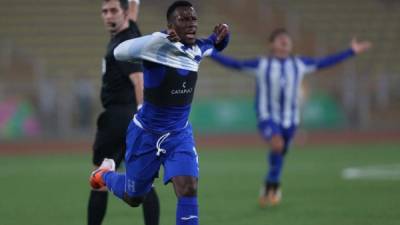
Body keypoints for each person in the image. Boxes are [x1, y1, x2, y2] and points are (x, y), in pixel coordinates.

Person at [89, 1, 230, 224]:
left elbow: (216, 45)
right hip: (145, 135)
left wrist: (224, 35)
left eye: (193, 19)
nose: (191, 24)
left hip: (178, 135)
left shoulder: (197, 49)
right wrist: (160, 37)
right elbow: (119, 52)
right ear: (171, 25)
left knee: (188, 187)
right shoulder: (156, 48)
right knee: (134, 197)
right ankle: (104, 174)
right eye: (184, 19)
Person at [209, 28, 371, 207]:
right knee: (277, 144)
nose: (285, 41)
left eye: (287, 39)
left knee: (280, 152)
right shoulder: (261, 65)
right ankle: (274, 183)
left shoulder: (299, 64)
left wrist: (351, 51)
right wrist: (209, 52)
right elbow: (234, 64)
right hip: (267, 117)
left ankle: (269, 183)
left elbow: (325, 62)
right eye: (280, 39)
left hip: (291, 120)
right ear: (272, 44)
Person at [87, 1, 160, 225]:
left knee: (99, 179)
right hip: (129, 117)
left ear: (124, 13)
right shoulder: (133, 32)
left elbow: (139, 81)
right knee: (143, 182)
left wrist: (142, 116)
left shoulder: (125, 43)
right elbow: (134, 9)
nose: (108, 16)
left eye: (113, 11)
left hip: (119, 119)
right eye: (104, 11)